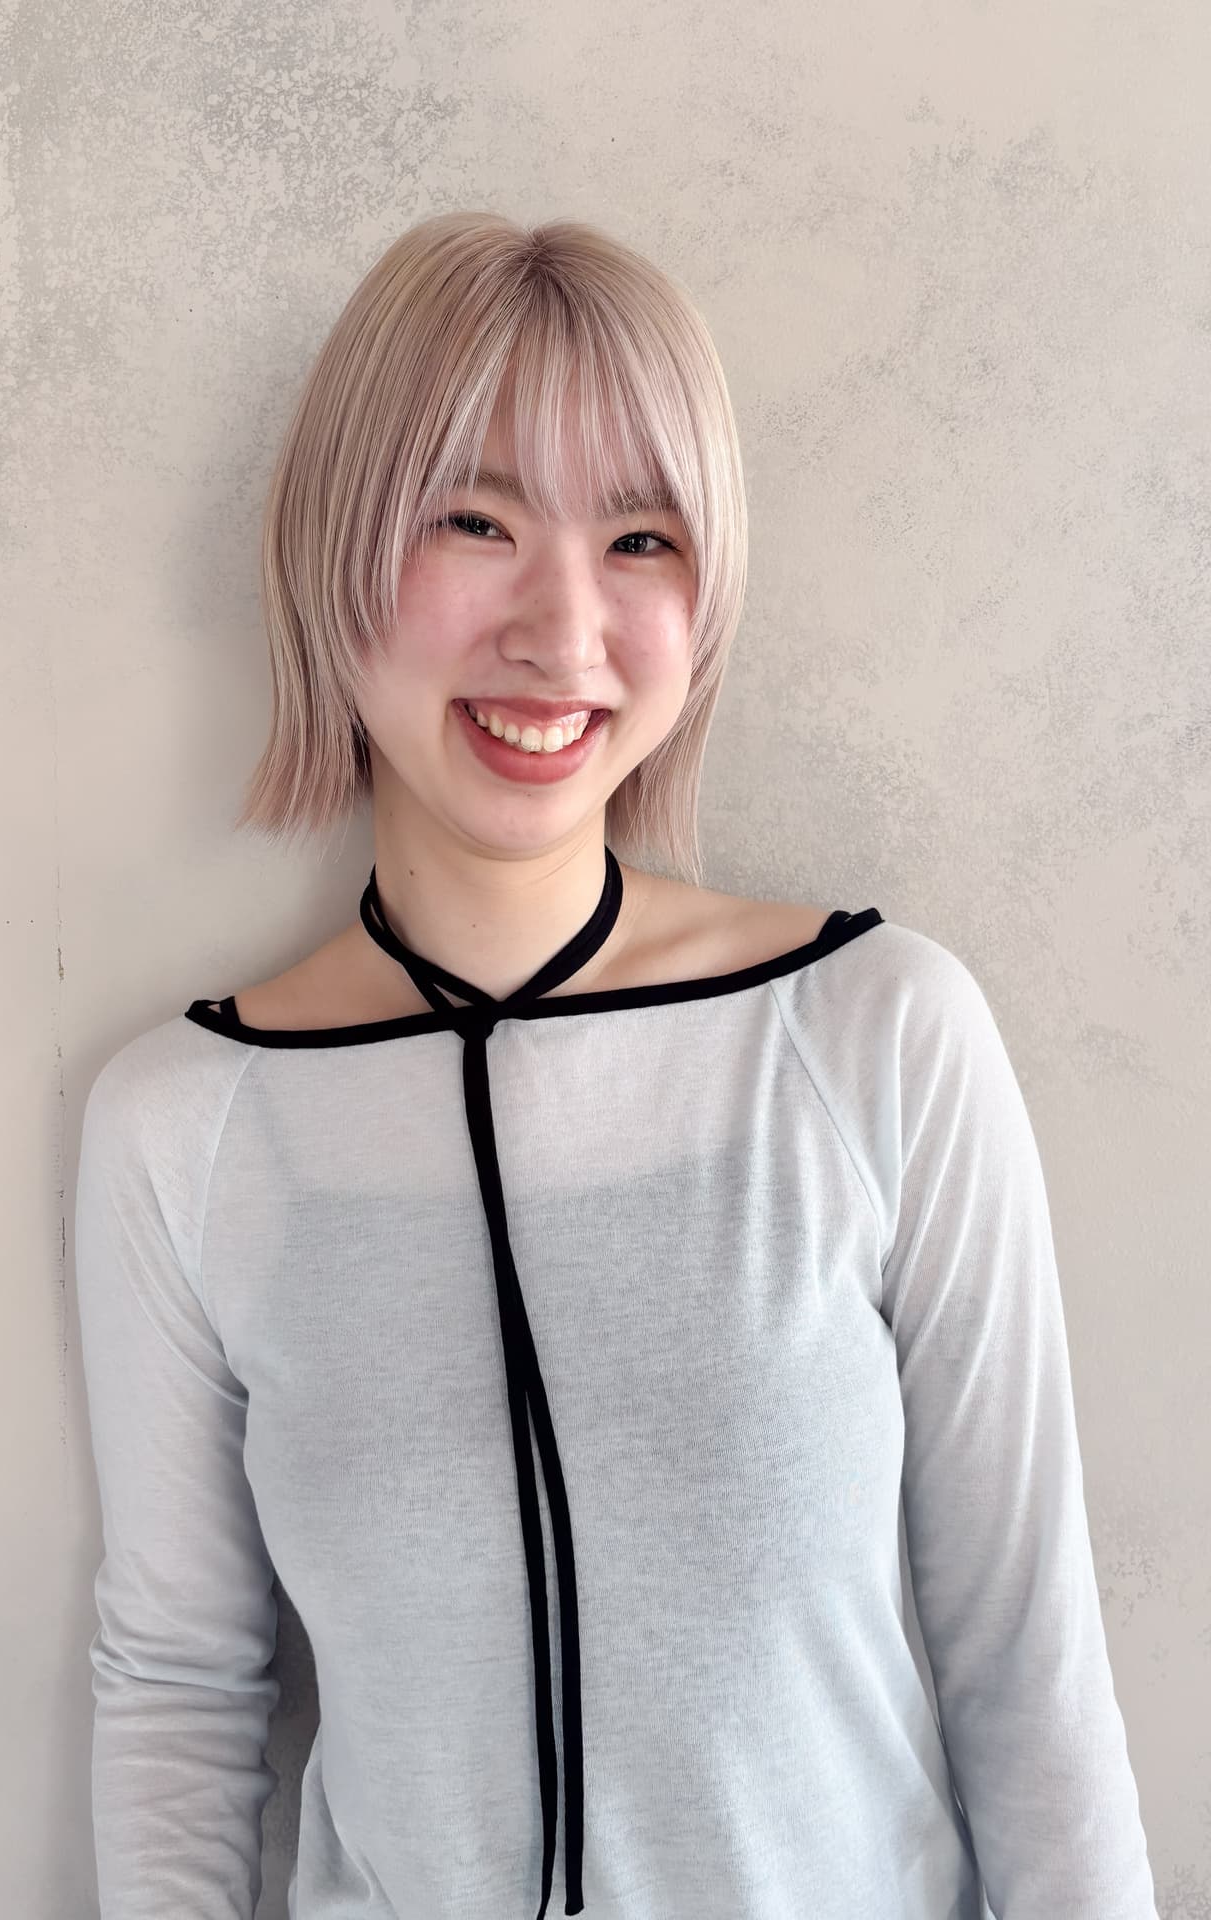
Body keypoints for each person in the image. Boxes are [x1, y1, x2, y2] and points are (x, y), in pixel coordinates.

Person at [72, 211, 1159, 1920]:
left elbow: (1027, 1668)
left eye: (641, 538)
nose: (562, 629)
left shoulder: (872, 1037)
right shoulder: (187, 1128)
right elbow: (182, 1692)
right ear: (332, 547)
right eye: (476, 520)